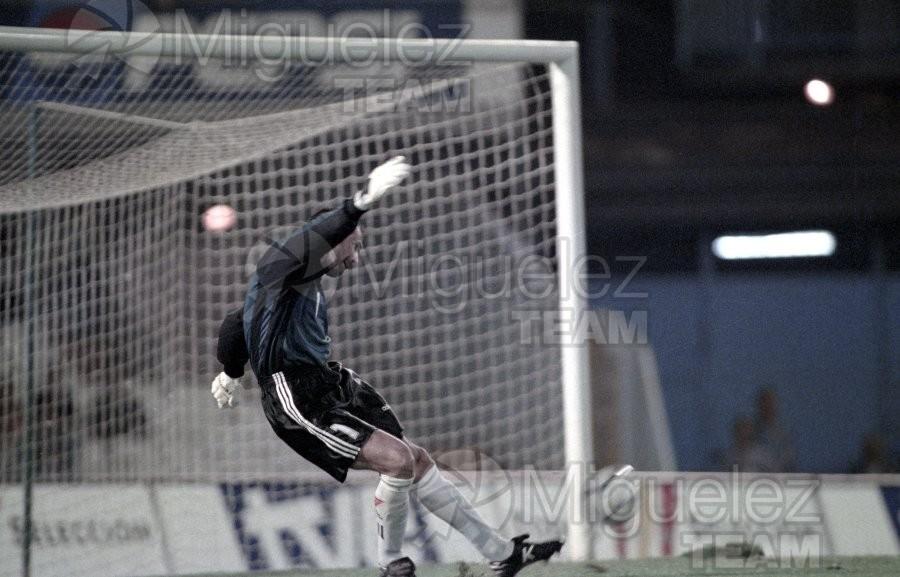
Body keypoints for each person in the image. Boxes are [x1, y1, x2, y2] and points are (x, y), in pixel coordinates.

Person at [211, 156, 563, 577]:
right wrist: (357, 205)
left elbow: (236, 321)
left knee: (417, 459)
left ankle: (502, 552)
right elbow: (308, 243)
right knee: (397, 461)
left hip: (328, 382)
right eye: (355, 245)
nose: (357, 258)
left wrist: (231, 371)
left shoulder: (301, 284)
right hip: (295, 396)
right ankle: (390, 562)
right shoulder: (282, 264)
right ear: (332, 240)